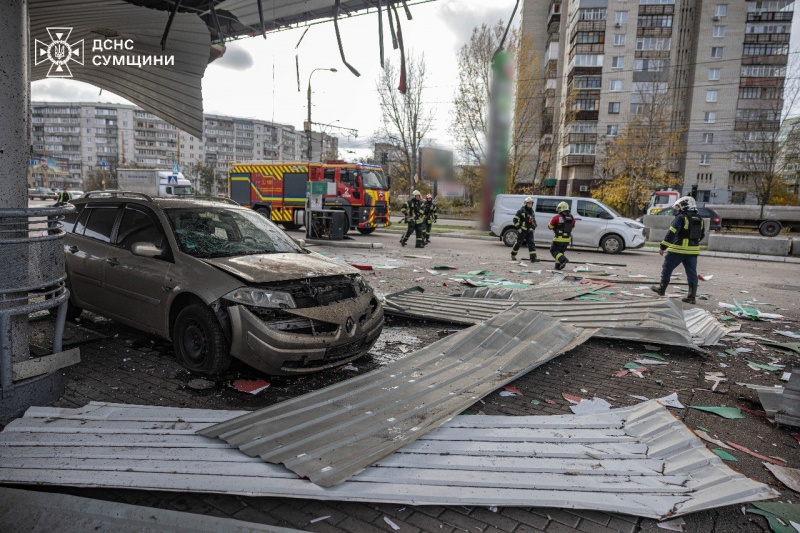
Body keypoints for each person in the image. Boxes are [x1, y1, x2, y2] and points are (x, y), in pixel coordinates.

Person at [651, 195, 704, 304]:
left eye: (679, 206)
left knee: (667, 268)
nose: (678, 209)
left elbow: (671, 233)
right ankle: (691, 297)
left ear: (684, 206)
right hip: (692, 251)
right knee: (692, 273)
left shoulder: (681, 217)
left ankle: (661, 289)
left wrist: (662, 246)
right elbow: (701, 235)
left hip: (677, 250)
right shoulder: (700, 219)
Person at [548, 201, 575, 270]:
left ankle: (563, 260)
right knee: (560, 252)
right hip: (567, 239)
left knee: (553, 251)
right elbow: (573, 227)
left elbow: (550, 226)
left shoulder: (556, 217)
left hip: (558, 239)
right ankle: (557, 266)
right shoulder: (572, 218)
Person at [511, 197, 537, 262]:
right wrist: (518, 228)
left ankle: (533, 258)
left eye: (531, 203)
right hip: (522, 231)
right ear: (526, 203)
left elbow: (533, 220)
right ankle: (513, 254)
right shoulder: (521, 211)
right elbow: (515, 220)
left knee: (531, 244)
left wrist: (534, 227)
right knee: (518, 243)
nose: (530, 205)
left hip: (529, 230)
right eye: (528, 203)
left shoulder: (532, 211)